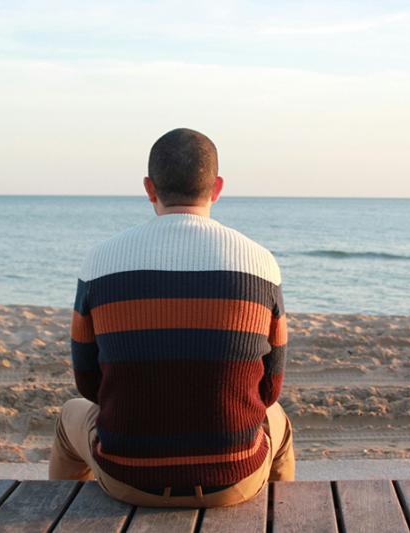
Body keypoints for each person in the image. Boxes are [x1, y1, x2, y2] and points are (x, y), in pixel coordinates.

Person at [49, 127, 295, 507]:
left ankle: (60, 514)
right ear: (217, 188)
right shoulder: (260, 264)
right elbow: (269, 390)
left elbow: (89, 385)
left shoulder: (99, 261)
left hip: (127, 477)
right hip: (232, 481)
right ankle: (279, 515)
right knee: (279, 419)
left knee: (70, 416)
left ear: (150, 188)